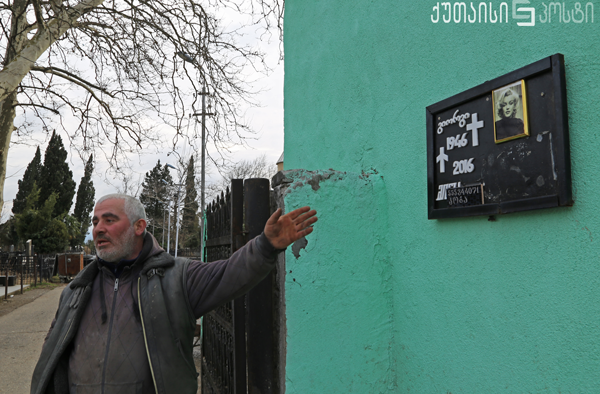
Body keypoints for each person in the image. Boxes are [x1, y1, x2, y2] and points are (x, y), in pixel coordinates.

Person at [31, 193, 317, 394]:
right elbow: (53, 351)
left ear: (139, 227)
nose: (98, 229)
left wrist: (266, 246)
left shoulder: (177, 276)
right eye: (94, 222)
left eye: (109, 220)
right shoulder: (77, 289)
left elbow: (229, 274)